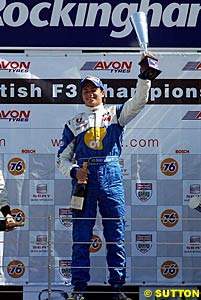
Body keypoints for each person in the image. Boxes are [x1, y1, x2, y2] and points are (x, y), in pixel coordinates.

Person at [57, 53, 152, 300]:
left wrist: (144, 77)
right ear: (81, 95)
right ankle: (79, 288)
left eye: (94, 90)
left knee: (115, 234)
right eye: (85, 90)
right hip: (84, 181)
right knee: (81, 236)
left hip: (111, 176)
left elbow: (140, 100)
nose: (90, 94)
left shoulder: (115, 113)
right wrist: (74, 171)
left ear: (103, 93)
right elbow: (61, 159)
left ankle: (118, 288)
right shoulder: (73, 123)